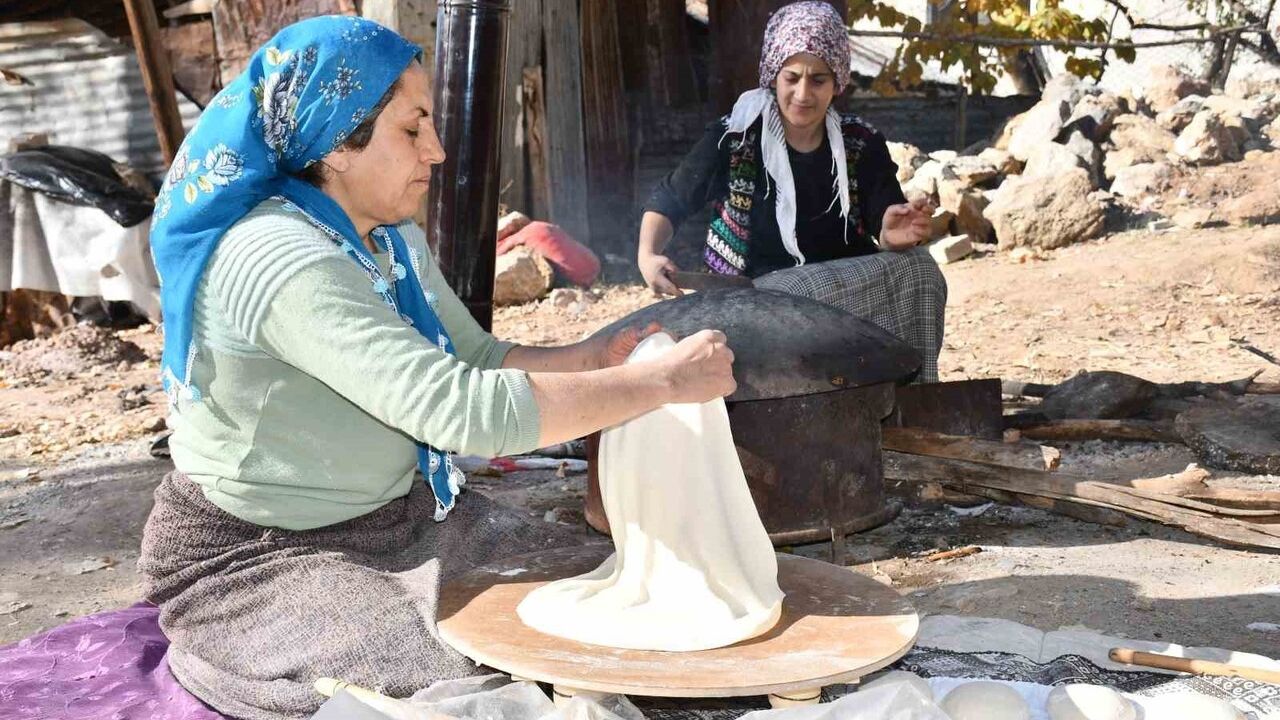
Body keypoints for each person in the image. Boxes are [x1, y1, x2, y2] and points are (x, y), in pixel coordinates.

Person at [139, 16, 734, 720]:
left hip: (403, 521)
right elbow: (454, 408)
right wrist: (654, 384)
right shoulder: (277, 257)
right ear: (338, 139)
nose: (440, 151)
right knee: (472, 668)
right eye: (412, 128)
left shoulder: (386, 238)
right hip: (257, 558)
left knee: (606, 595)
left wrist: (590, 361)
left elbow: (474, 357)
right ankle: (227, 648)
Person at [638, 1, 947, 382]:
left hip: (845, 296)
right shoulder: (735, 138)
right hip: (753, 302)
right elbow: (670, 199)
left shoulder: (860, 143)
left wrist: (892, 232)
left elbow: (884, 209)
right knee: (794, 288)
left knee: (920, 269)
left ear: (837, 84)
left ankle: (913, 397)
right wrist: (648, 254)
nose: (803, 93)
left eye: (818, 79)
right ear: (773, 76)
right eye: (792, 77)